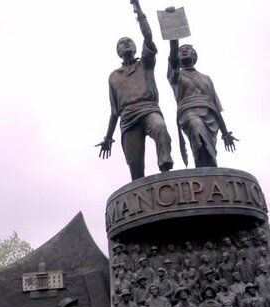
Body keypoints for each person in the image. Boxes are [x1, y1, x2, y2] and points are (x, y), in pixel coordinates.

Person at [96, 0, 173, 180]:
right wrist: (108, 138)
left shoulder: (145, 63)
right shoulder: (114, 76)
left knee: (160, 128)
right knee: (135, 166)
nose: (126, 44)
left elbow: (148, 37)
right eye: (122, 43)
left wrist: (138, 9)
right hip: (128, 117)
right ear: (118, 51)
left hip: (148, 109)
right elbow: (114, 111)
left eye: (129, 41)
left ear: (136, 47)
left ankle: (165, 165)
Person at [165, 6, 237, 168]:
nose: (184, 51)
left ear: (194, 55)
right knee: (197, 133)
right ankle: (204, 172)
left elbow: (216, 108)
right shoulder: (175, 76)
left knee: (209, 149)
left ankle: (207, 172)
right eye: (181, 50)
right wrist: (172, 25)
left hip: (210, 117)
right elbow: (172, 52)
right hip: (188, 112)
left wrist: (225, 133)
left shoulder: (206, 79)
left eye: (188, 49)